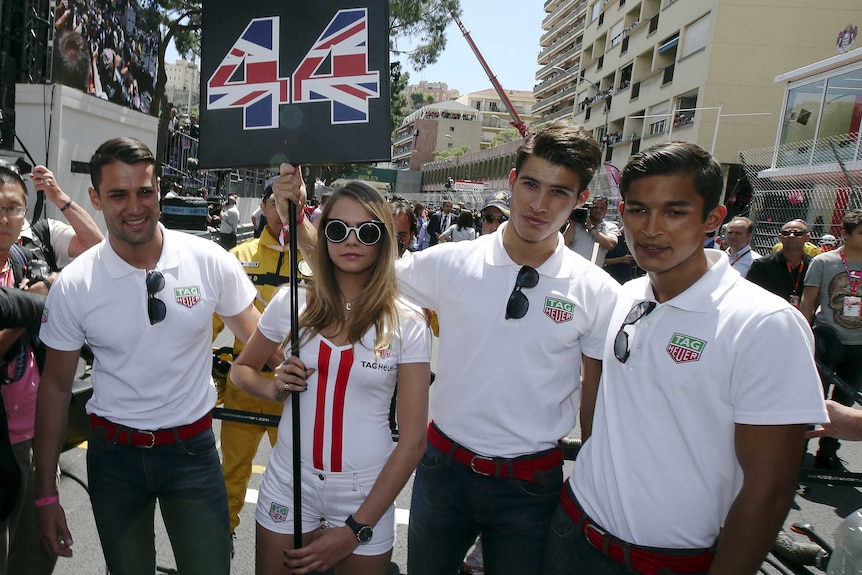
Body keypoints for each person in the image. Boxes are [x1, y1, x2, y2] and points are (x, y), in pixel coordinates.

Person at [547, 141, 828, 575]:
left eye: (675, 212)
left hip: (670, 562)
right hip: (573, 532)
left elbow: (770, 488)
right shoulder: (625, 296)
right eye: (637, 210)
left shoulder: (765, 322)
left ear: (712, 220)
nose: (651, 228)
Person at [33, 137, 263, 575]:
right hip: (113, 458)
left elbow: (260, 339)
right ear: (96, 199)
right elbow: (55, 388)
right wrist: (46, 493)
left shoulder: (208, 259)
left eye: (145, 191)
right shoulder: (75, 283)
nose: (134, 206)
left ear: (159, 190)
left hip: (192, 455)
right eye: (118, 195)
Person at [399, 122, 618, 574]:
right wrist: (299, 214)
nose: (539, 205)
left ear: (580, 202)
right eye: (531, 184)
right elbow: (357, 271)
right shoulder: (449, 262)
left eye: (559, 192)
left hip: (531, 486)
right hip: (443, 471)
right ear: (512, 181)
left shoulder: (597, 290)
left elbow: (594, 404)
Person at [231, 180, 430, 575]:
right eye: (338, 229)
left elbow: (413, 440)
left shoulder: (407, 321)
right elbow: (241, 371)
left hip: (365, 491)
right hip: (289, 480)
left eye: (367, 231)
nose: (351, 241)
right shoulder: (291, 303)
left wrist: (355, 529)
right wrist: (273, 387)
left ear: (384, 240)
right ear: (322, 237)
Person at [213, 181, 312, 551]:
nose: (283, 208)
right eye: (277, 201)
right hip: (246, 382)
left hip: (300, 391)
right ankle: (224, 533)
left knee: (301, 472)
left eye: (293, 202)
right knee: (232, 469)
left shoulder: (319, 257)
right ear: (265, 206)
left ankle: (302, 538)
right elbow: (210, 322)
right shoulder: (238, 256)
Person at [0, 165, 56, 575]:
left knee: (33, 552)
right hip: (4, 442)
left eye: (12, 208)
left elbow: (94, 246)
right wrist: (31, 306)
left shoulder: (20, 258)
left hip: (33, 429)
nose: (4, 218)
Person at [801, 209, 862, 471]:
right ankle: (799, 449)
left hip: (858, 345)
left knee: (845, 401)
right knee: (814, 398)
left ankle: (829, 452)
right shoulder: (824, 262)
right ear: (845, 234)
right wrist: (802, 338)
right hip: (827, 340)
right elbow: (808, 301)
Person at [19, 165, 104, 289]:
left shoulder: (41, 234)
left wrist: (59, 197)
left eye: (12, 206)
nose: (4, 215)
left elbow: (96, 246)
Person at [746, 219, 812, 307]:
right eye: (786, 233)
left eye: (798, 233)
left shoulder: (814, 265)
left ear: (807, 237)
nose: (791, 236)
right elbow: (750, 294)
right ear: (780, 237)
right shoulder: (762, 265)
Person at [562, 194, 618, 266]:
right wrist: (572, 224)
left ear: (606, 211)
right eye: (595, 207)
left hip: (593, 272)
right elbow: (564, 244)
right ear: (590, 209)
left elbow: (610, 244)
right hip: (573, 269)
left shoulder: (610, 227)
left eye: (602, 208)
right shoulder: (577, 225)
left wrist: (591, 229)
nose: (598, 210)